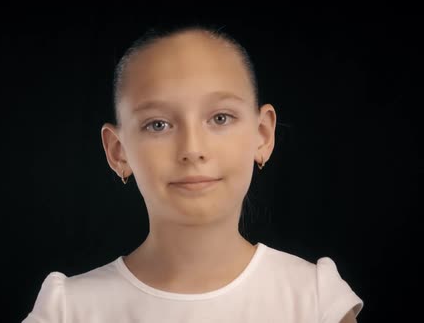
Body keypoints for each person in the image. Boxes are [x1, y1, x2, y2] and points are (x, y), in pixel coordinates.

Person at [21, 23, 364, 323]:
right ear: (118, 151)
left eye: (220, 118)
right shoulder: (69, 310)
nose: (192, 148)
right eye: (158, 124)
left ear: (262, 135)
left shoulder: (314, 299)